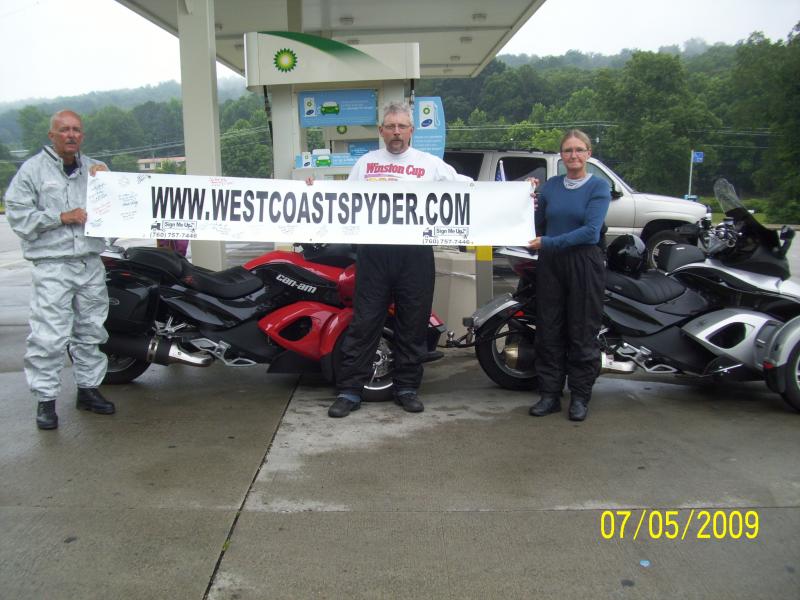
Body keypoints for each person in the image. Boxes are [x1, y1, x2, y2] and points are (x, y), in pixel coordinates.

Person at [323, 102, 458, 418]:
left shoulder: (431, 165)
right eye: (390, 126)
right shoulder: (366, 164)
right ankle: (350, 391)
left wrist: (519, 193)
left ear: (411, 130)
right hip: (374, 253)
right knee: (365, 322)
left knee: (412, 323)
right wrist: (313, 191)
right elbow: (341, 201)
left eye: (402, 126)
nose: (396, 132)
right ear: (381, 131)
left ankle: (407, 388)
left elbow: (471, 192)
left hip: (415, 254)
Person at [6, 109, 115, 430]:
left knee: (91, 330)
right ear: (51, 135)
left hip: (89, 263)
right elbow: (18, 216)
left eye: (77, 130)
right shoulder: (32, 172)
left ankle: (88, 390)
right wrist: (60, 217)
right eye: (64, 130)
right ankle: (46, 401)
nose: (71, 135)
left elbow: (117, 210)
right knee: (49, 335)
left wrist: (109, 186)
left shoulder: (96, 170)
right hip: (52, 265)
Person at [527, 129, 611, 421]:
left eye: (579, 150)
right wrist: (527, 196)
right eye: (567, 151)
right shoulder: (550, 187)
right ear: (560, 156)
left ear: (588, 153)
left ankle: (579, 397)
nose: (573, 155)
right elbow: (536, 225)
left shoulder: (599, 187)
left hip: (584, 263)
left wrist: (548, 242)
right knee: (548, 330)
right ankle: (550, 395)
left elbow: (590, 232)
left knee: (581, 331)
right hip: (551, 264)